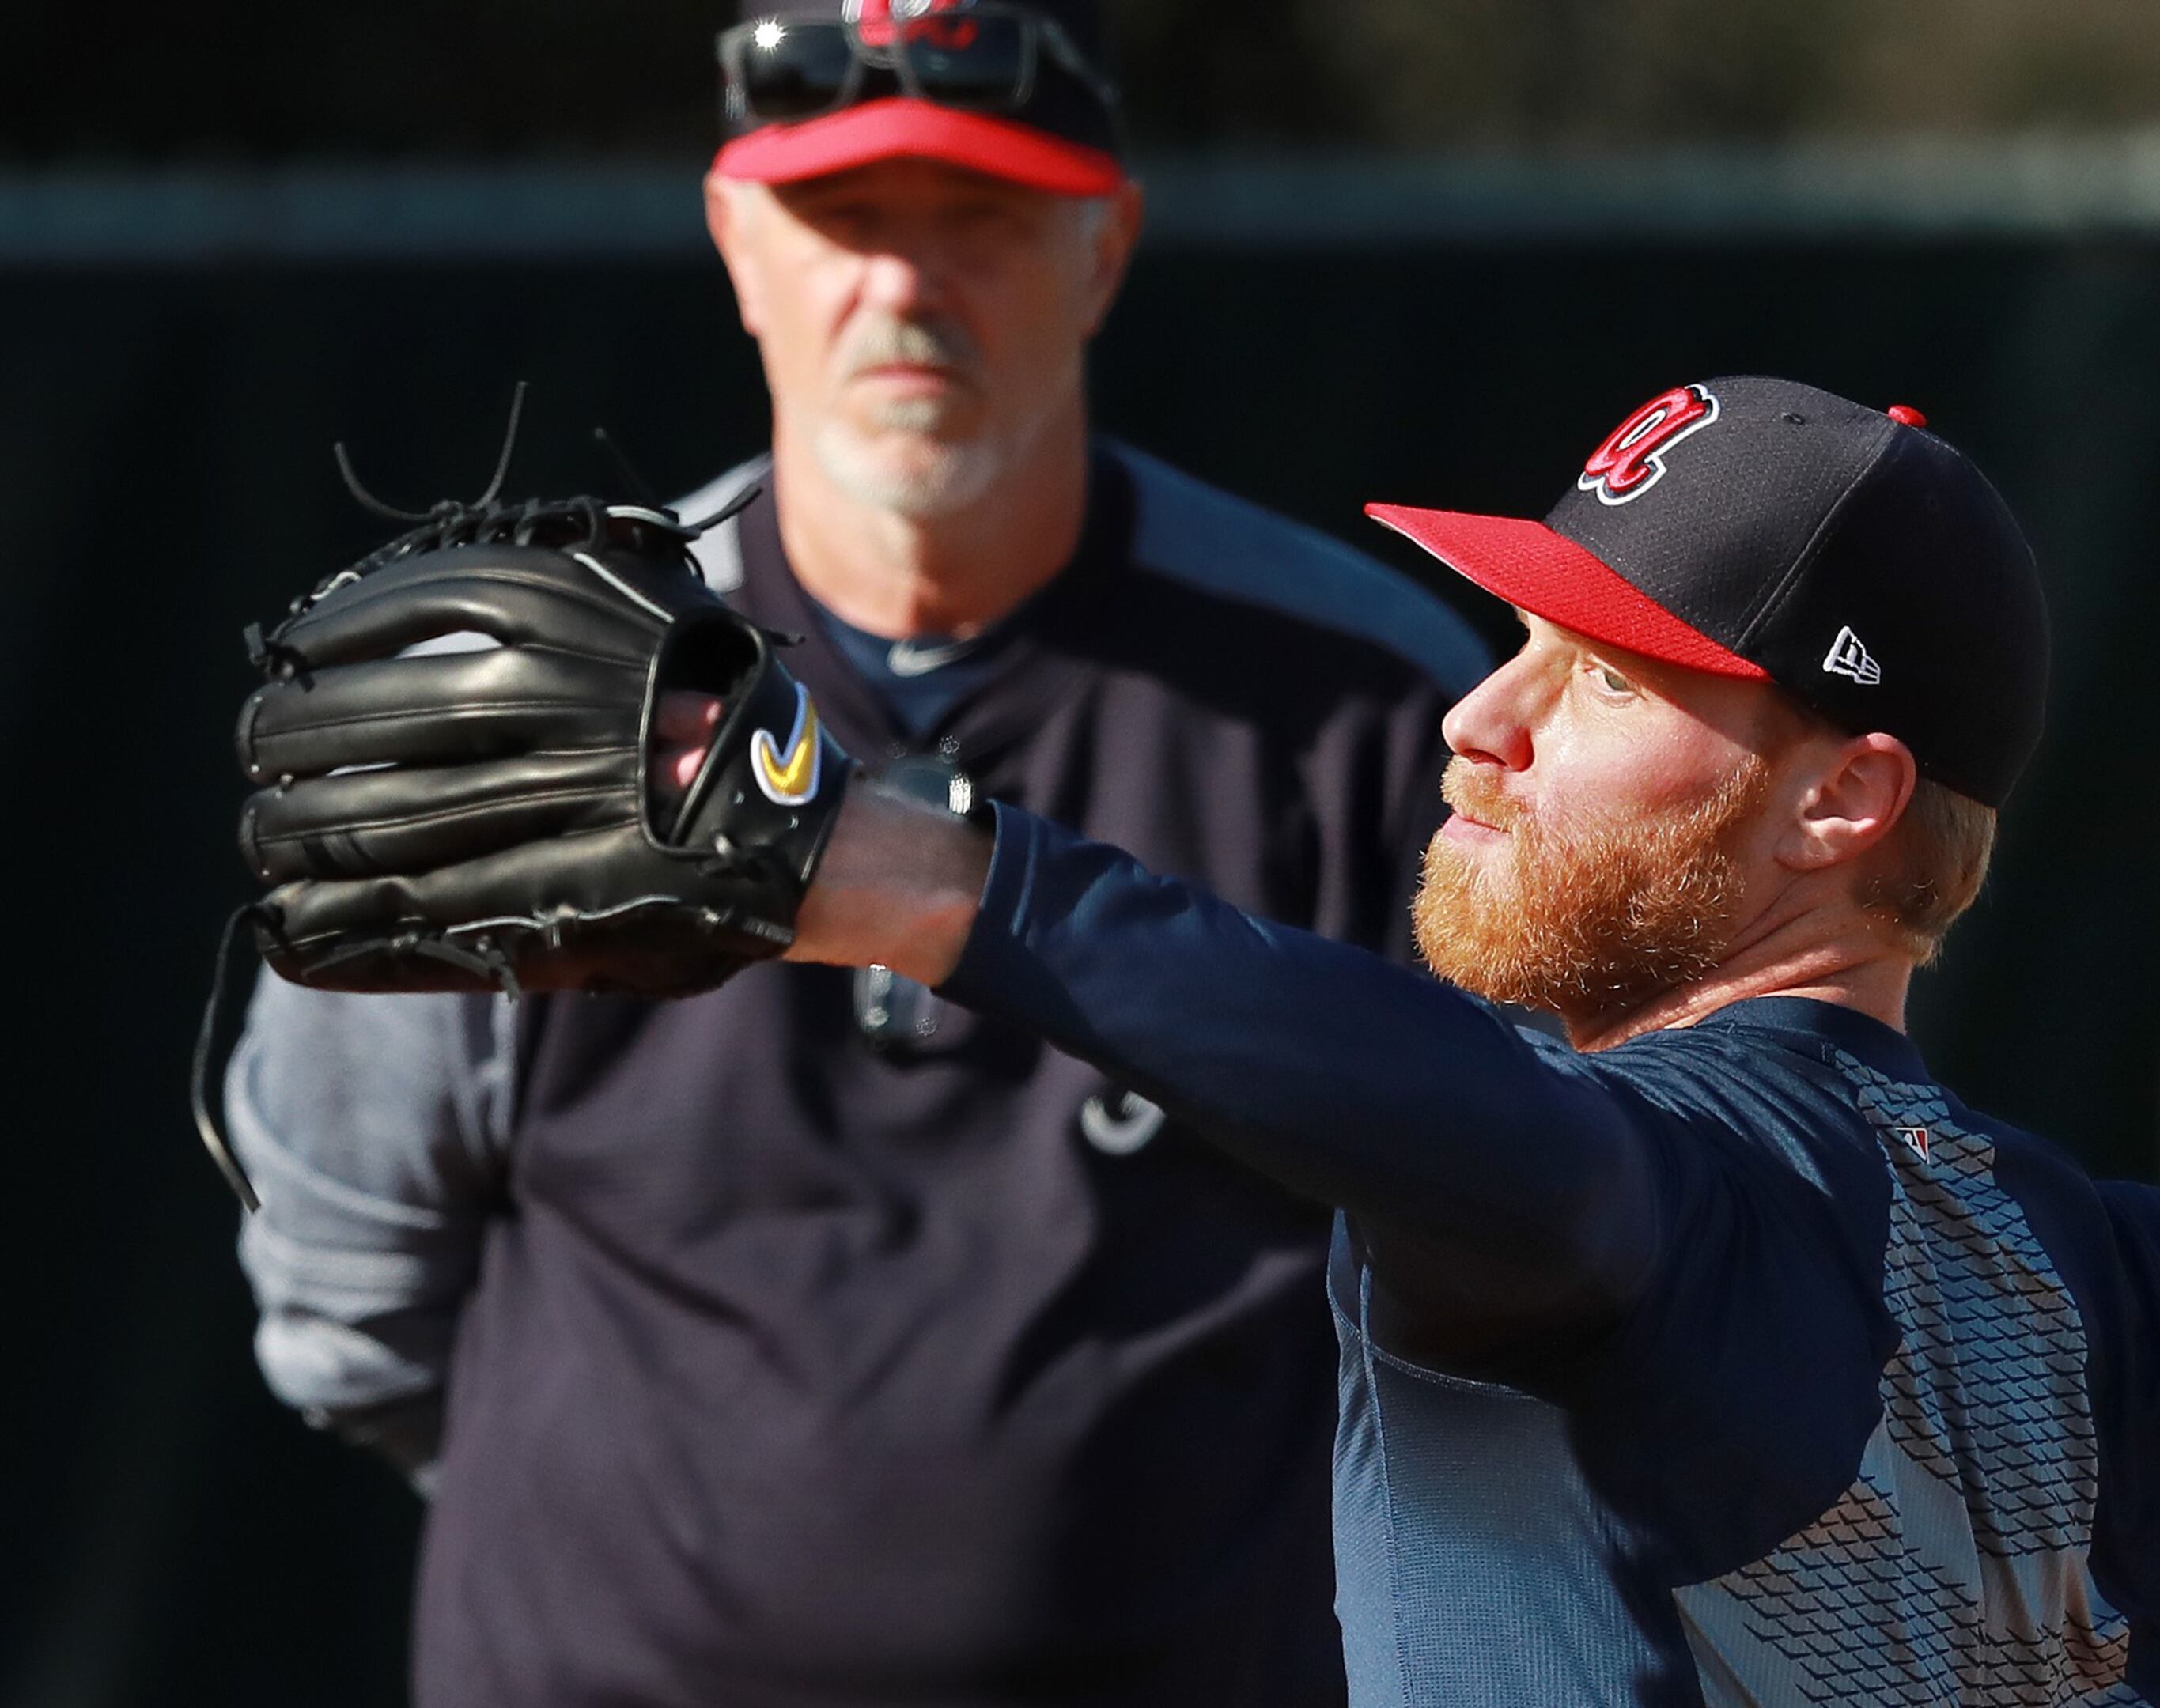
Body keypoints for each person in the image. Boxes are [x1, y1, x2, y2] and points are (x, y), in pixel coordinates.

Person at [721, 375, 2160, 1705]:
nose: (1475, 725)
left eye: (1592, 679)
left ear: (1839, 799)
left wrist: (893, 860)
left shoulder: (1633, 1197)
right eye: (1512, 642)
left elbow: (1452, 1112)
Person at [225, 3, 1487, 1703]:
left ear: (1103, 247)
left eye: (979, 216)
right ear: (740, 243)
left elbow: (1530, 1240)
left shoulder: (1377, 712)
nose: (903, 286)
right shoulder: (529, 705)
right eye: (843, 220)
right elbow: (350, 1294)